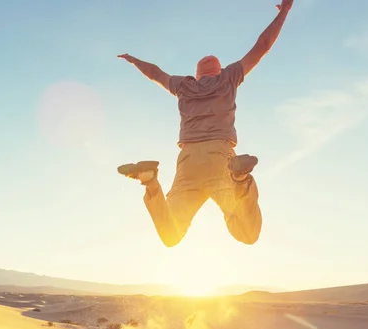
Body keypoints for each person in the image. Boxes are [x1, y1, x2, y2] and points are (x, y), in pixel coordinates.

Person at [117, 0, 293, 247]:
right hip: (219, 158)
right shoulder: (229, 77)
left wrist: (134, 60)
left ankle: (149, 181)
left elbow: (155, 73)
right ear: (218, 70)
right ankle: (240, 180)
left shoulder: (183, 85)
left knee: (171, 235)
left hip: (188, 160)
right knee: (247, 233)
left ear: (197, 74)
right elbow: (262, 45)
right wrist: (284, 11)